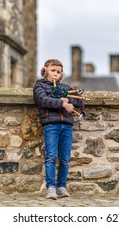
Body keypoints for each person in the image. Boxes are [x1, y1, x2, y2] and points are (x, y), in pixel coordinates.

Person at [33, 59, 84, 200]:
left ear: (61, 75)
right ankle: (51, 188)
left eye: (58, 72)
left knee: (65, 159)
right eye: (52, 70)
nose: (55, 74)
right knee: (51, 157)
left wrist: (68, 100)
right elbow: (43, 101)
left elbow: (80, 101)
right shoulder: (40, 85)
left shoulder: (66, 87)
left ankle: (61, 186)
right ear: (45, 71)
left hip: (66, 125)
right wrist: (62, 103)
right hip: (51, 125)